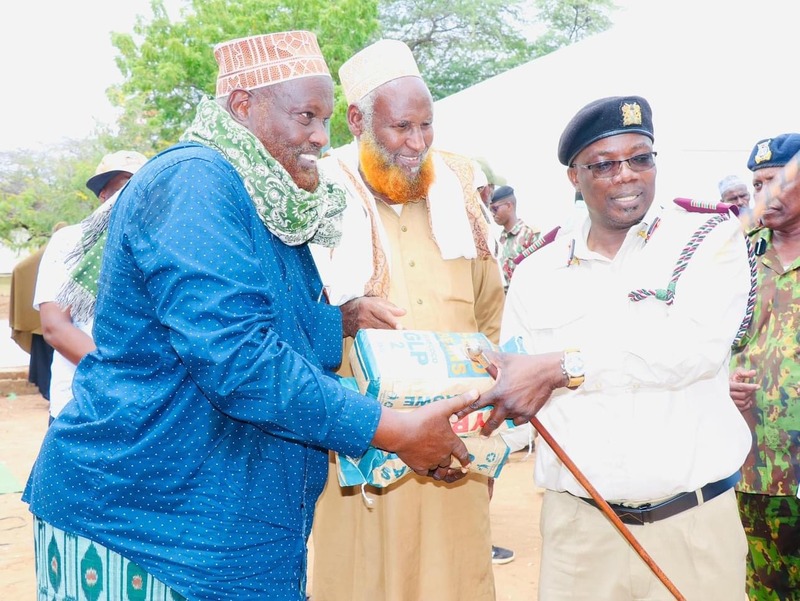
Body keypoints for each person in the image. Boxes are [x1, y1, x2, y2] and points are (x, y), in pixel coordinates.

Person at [22, 31, 478, 601]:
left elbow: (251, 323)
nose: (320, 137)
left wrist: (336, 321)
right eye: (306, 116)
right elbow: (240, 361)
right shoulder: (196, 181)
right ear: (242, 107)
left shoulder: (266, 191)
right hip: (149, 524)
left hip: (224, 521)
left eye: (326, 119)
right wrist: (395, 431)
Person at [463, 95, 754, 600]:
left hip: (693, 526)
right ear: (574, 177)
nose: (627, 175)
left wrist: (563, 367)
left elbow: (691, 350)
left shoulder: (708, 238)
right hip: (580, 532)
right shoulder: (537, 271)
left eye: (640, 158)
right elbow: (515, 383)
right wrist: (466, 443)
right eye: (604, 164)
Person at [309, 38, 505, 601]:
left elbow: (491, 322)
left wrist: (479, 442)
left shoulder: (460, 199)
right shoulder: (315, 200)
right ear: (356, 121)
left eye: (426, 126)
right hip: (359, 459)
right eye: (400, 128)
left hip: (455, 453)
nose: (416, 144)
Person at [729, 132, 800, 599]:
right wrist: (722, 381)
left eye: (775, 182)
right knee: (759, 586)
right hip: (747, 463)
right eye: (756, 185)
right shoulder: (736, 254)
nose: (763, 196)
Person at [33, 150, 147, 422]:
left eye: (138, 187)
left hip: (146, 411)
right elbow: (56, 327)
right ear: (103, 197)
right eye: (120, 188)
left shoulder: (158, 246)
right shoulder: (70, 242)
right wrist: (120, 380)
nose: (128, 196)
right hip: (80, 406)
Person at [8, 236, 58, 399]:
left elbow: (19, 270)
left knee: (44, 365)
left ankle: (49, 394)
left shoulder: (35, 259)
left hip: (39, 324)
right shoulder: (59, 254)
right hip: (56, 323)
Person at [489, 184, 541, 290]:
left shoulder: (529, 235)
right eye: (490, 210)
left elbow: (537, 273)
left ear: (509, 206)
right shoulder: (500, 240)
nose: (492, 214)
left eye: (494, 209)